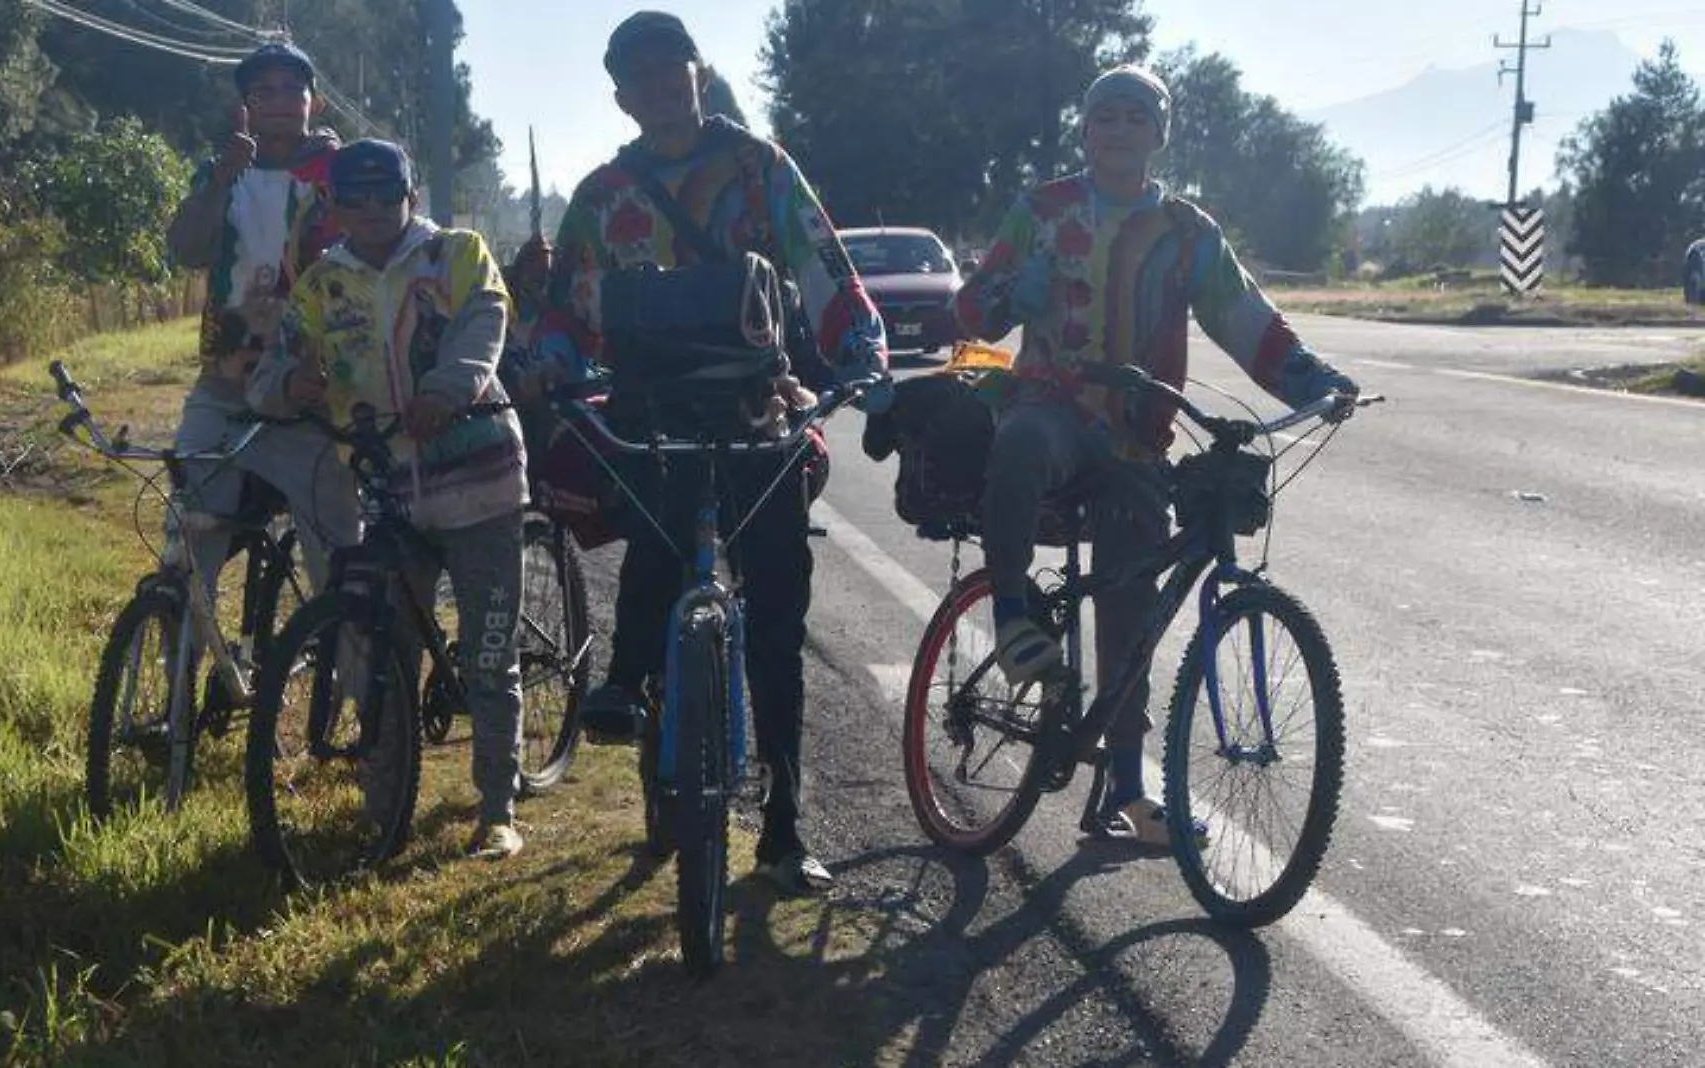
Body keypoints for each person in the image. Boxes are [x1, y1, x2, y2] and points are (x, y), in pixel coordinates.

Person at [952, 64, 1358, 846]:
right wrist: (1010, 297)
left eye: (1137, 117)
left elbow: (1246, 319)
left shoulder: (1187, 232)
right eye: (1105, 116)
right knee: (1023, 444)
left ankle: (1126, 790)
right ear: (1084, 130)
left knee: (1132, 613)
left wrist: (1314, 380)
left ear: (1161, 133)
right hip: (1053, 402)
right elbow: (967, 309)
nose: (1119, 130)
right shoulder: (1041, 210)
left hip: (1137, 435)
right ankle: (1010, 617)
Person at [533, 11, 887, 896]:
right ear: (619, 94)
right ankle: (623, 684)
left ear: (697, 72)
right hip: (653, 415)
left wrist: (863, 354)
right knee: (658, 536)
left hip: (759, 414)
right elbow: (568, 313)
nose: (658, 84)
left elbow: (823, 267)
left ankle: (783, 826)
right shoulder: (604, 194)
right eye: (638, 74)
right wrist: (544, 369)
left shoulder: (762, 169)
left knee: (775, 626)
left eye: (671, 66)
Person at [248, 139, 532, 860]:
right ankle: (386, 802)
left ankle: (497, 807)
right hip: (386, 489)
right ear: (334, 205)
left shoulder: (457, 255)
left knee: (488, 653)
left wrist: (448, 387)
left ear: (410, 195)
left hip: (480, 480)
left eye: (387, 194)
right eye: (355, 197)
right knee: (387, 650)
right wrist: (288, 387)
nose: (373, 209)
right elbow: (275, 361)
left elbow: (483, 323)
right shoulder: (319, 284)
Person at [161, 41, 357, 601]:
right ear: (243, 106)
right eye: (260, 92)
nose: (278, 102)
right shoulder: (221, 170)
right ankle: (181, 668)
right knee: (187, 540)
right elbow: (188, 250)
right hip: (225, 386)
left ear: (315, 104)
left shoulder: (337, 171)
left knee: (337, 556)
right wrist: (221, 178)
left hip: (308, 395)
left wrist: (330, 168)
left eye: (293, 90)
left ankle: (353, 675)